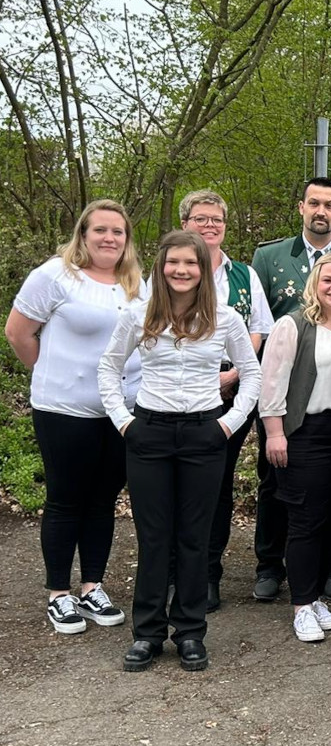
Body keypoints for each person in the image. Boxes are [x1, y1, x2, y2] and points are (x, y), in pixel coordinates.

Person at [98, 230, 261, 672]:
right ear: (161, 267)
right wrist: (124, 422)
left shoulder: (225, 319)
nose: (182, 270)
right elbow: (109, 367)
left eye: (190, 263)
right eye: (173, 263)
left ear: (202, 270)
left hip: (203, 435)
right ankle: (147, 633)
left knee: (194, 536)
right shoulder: (138, 315)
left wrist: (227, 424)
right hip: (148, 433)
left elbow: (252, 374)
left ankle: (189, 632)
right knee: (154, 538)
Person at [5, 199, 145, 635]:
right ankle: (58, 594)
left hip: (122, 412)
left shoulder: (140, 283)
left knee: (103, 501)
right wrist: (52, 374)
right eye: (100, 230)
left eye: (117, 232)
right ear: (83, 234)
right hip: (65, 409)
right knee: (66, 500)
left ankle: (91, 586)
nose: (109, 238)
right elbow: (18, 332)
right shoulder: (54, 276)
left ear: (127, 240)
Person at [251, 177, 331, 603]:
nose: (322, 210)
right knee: (280, 496)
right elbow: (262, 327)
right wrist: (274, 429)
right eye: (314, 203)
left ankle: (327, 573)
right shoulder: (269, 257)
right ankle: (271, 566)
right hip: (297, 415)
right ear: (302, 207)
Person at [259, 253, 331, 644]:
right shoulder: (293, 327)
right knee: (305, 520)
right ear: (315, 285)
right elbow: (271, 382)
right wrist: (275, 432)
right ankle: (302, 605)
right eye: (328, 280)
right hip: (307, 432)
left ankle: (318, 595)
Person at [179, 189, 274, 612]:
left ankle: (207, 574)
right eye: (201, 219)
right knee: (177, 484)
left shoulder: (245, 274)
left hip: (232, 389)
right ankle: (172, 574)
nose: (210, 226)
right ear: (185, 225)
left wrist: (234, 373)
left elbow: (258, 328)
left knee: (216, 483)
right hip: (178, 392)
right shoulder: (169, 273)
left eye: (216, 219)